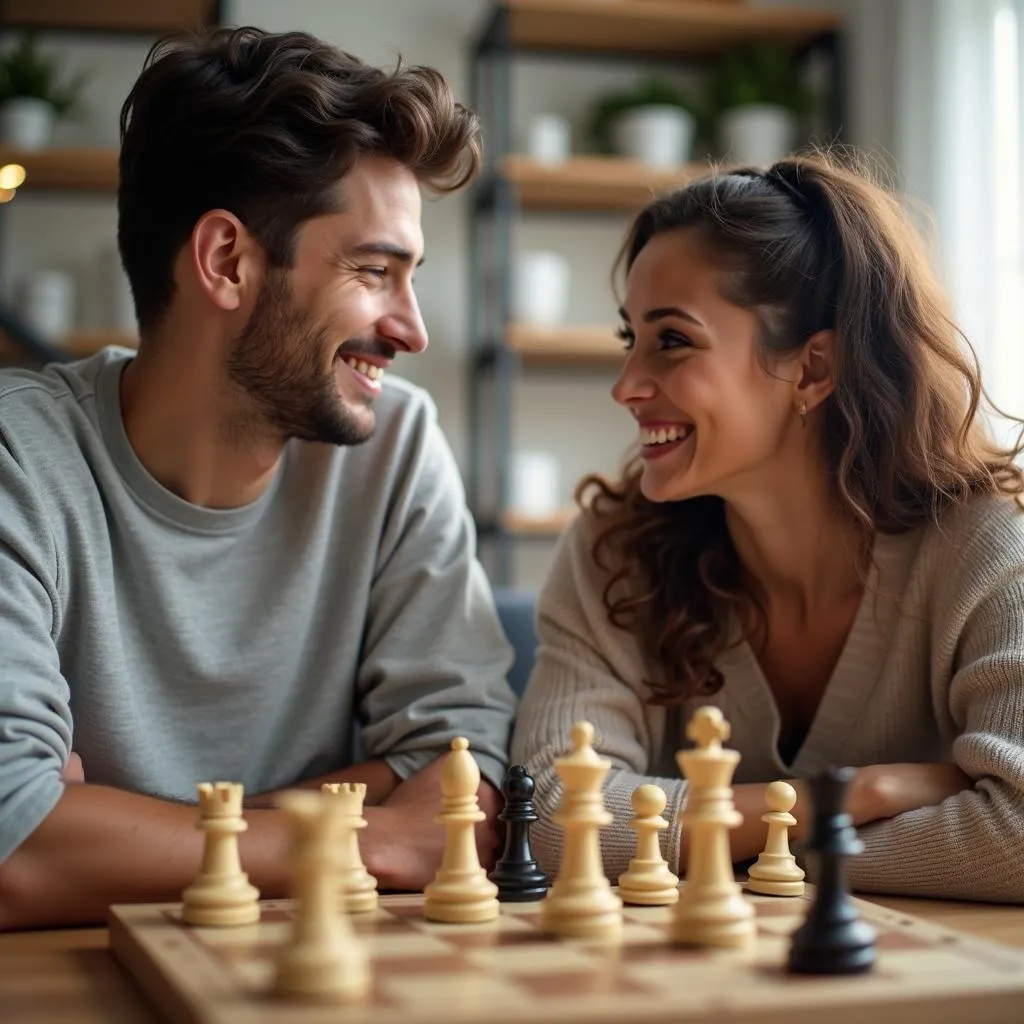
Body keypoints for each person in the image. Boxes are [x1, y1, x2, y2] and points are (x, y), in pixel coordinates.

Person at [0, 26, 517, 930]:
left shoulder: (396, 448)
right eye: (373, 272)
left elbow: (461, 791)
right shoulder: (18, 456)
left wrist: (102, 829)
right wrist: (374, 837)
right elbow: (16, 858)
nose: (412, 330)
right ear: (226, 261)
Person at [511, 151, 1024, 904]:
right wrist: (855, 797)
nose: (625, 386)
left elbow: (1016, 839)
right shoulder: (610, 551)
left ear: (814, 369)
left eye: (673, 340)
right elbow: (557, 821)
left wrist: (722, 844)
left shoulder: (985, 549)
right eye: (632, 339)